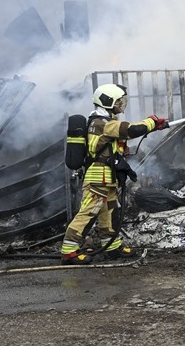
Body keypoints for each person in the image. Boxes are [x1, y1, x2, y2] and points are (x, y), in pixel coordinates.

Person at [61, 83, 170, 264]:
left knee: (110, 212)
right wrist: (152, 121)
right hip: (98, 177)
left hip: (108, 177)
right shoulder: (101, 123)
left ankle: (112, 247)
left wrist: (153, 127)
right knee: (88, 212)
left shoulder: (104, 123)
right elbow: (130, 130)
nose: (121, 104)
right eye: (118, 101)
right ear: (107, 101)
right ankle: (69, 251)